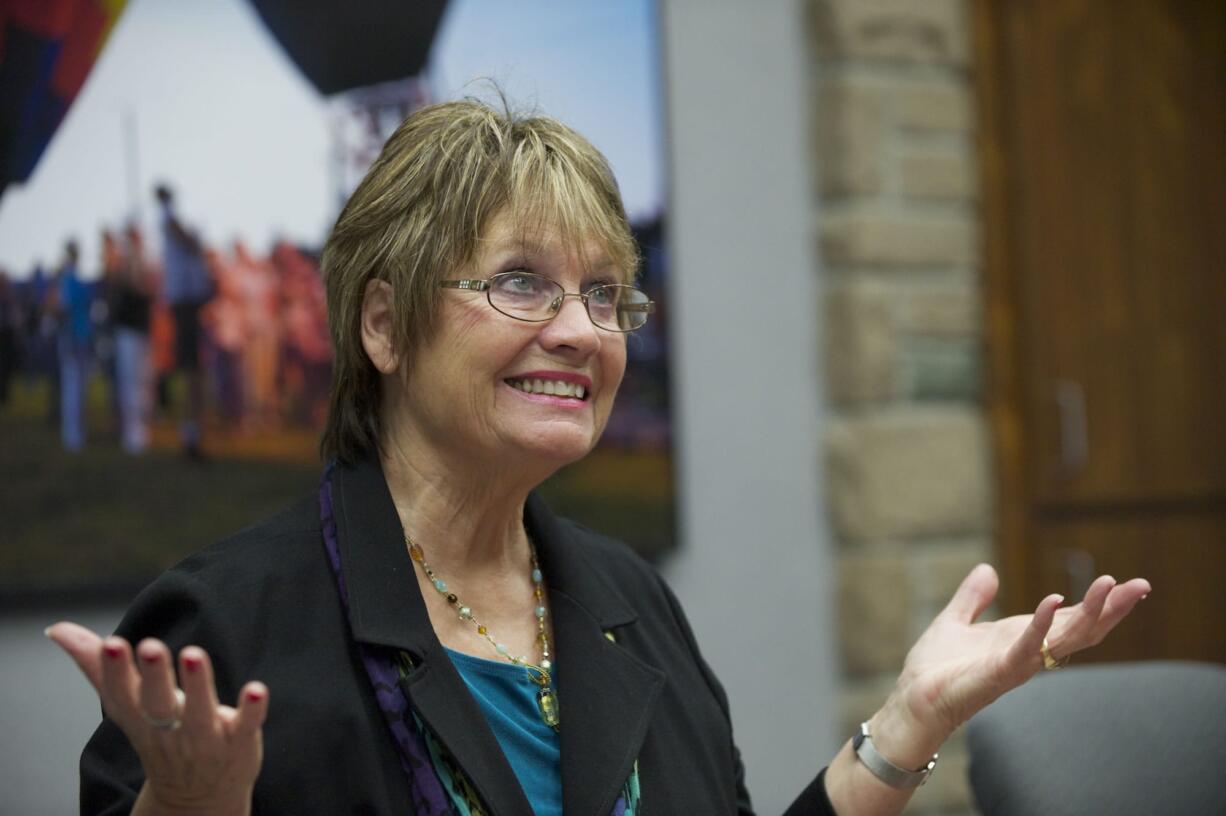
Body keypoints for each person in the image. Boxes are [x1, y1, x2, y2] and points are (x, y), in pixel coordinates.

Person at [47, 100, 1150, 815]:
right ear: (381, 327)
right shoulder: (221, 632)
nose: (580, 331)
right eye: (519, 281)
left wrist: (909, 719)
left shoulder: (626, 598)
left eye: (601, 294)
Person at [154, 184, 211, 460]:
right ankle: (190, 436)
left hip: (187, 303)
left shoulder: (167, 220)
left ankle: (193, 433)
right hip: (185, 303)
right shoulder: (169, 220)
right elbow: (188, 241)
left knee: (194, 371)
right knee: (191, 371)